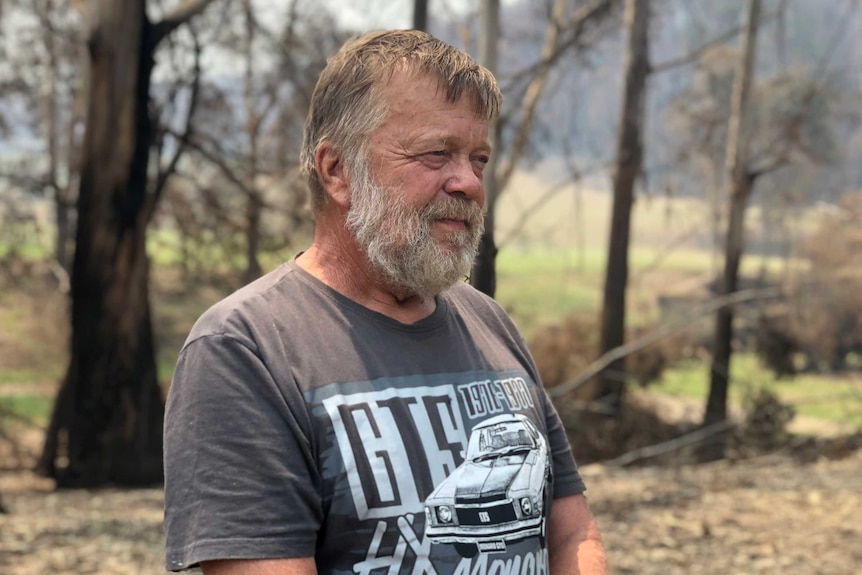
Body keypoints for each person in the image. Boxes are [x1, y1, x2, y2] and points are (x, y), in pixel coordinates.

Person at [163, 29, 608, 575]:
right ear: (337, 171)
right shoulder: (245, 349)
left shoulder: (488, 321)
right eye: (435, 154)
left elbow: (572, 534)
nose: (468, 182)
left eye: (479, 159)